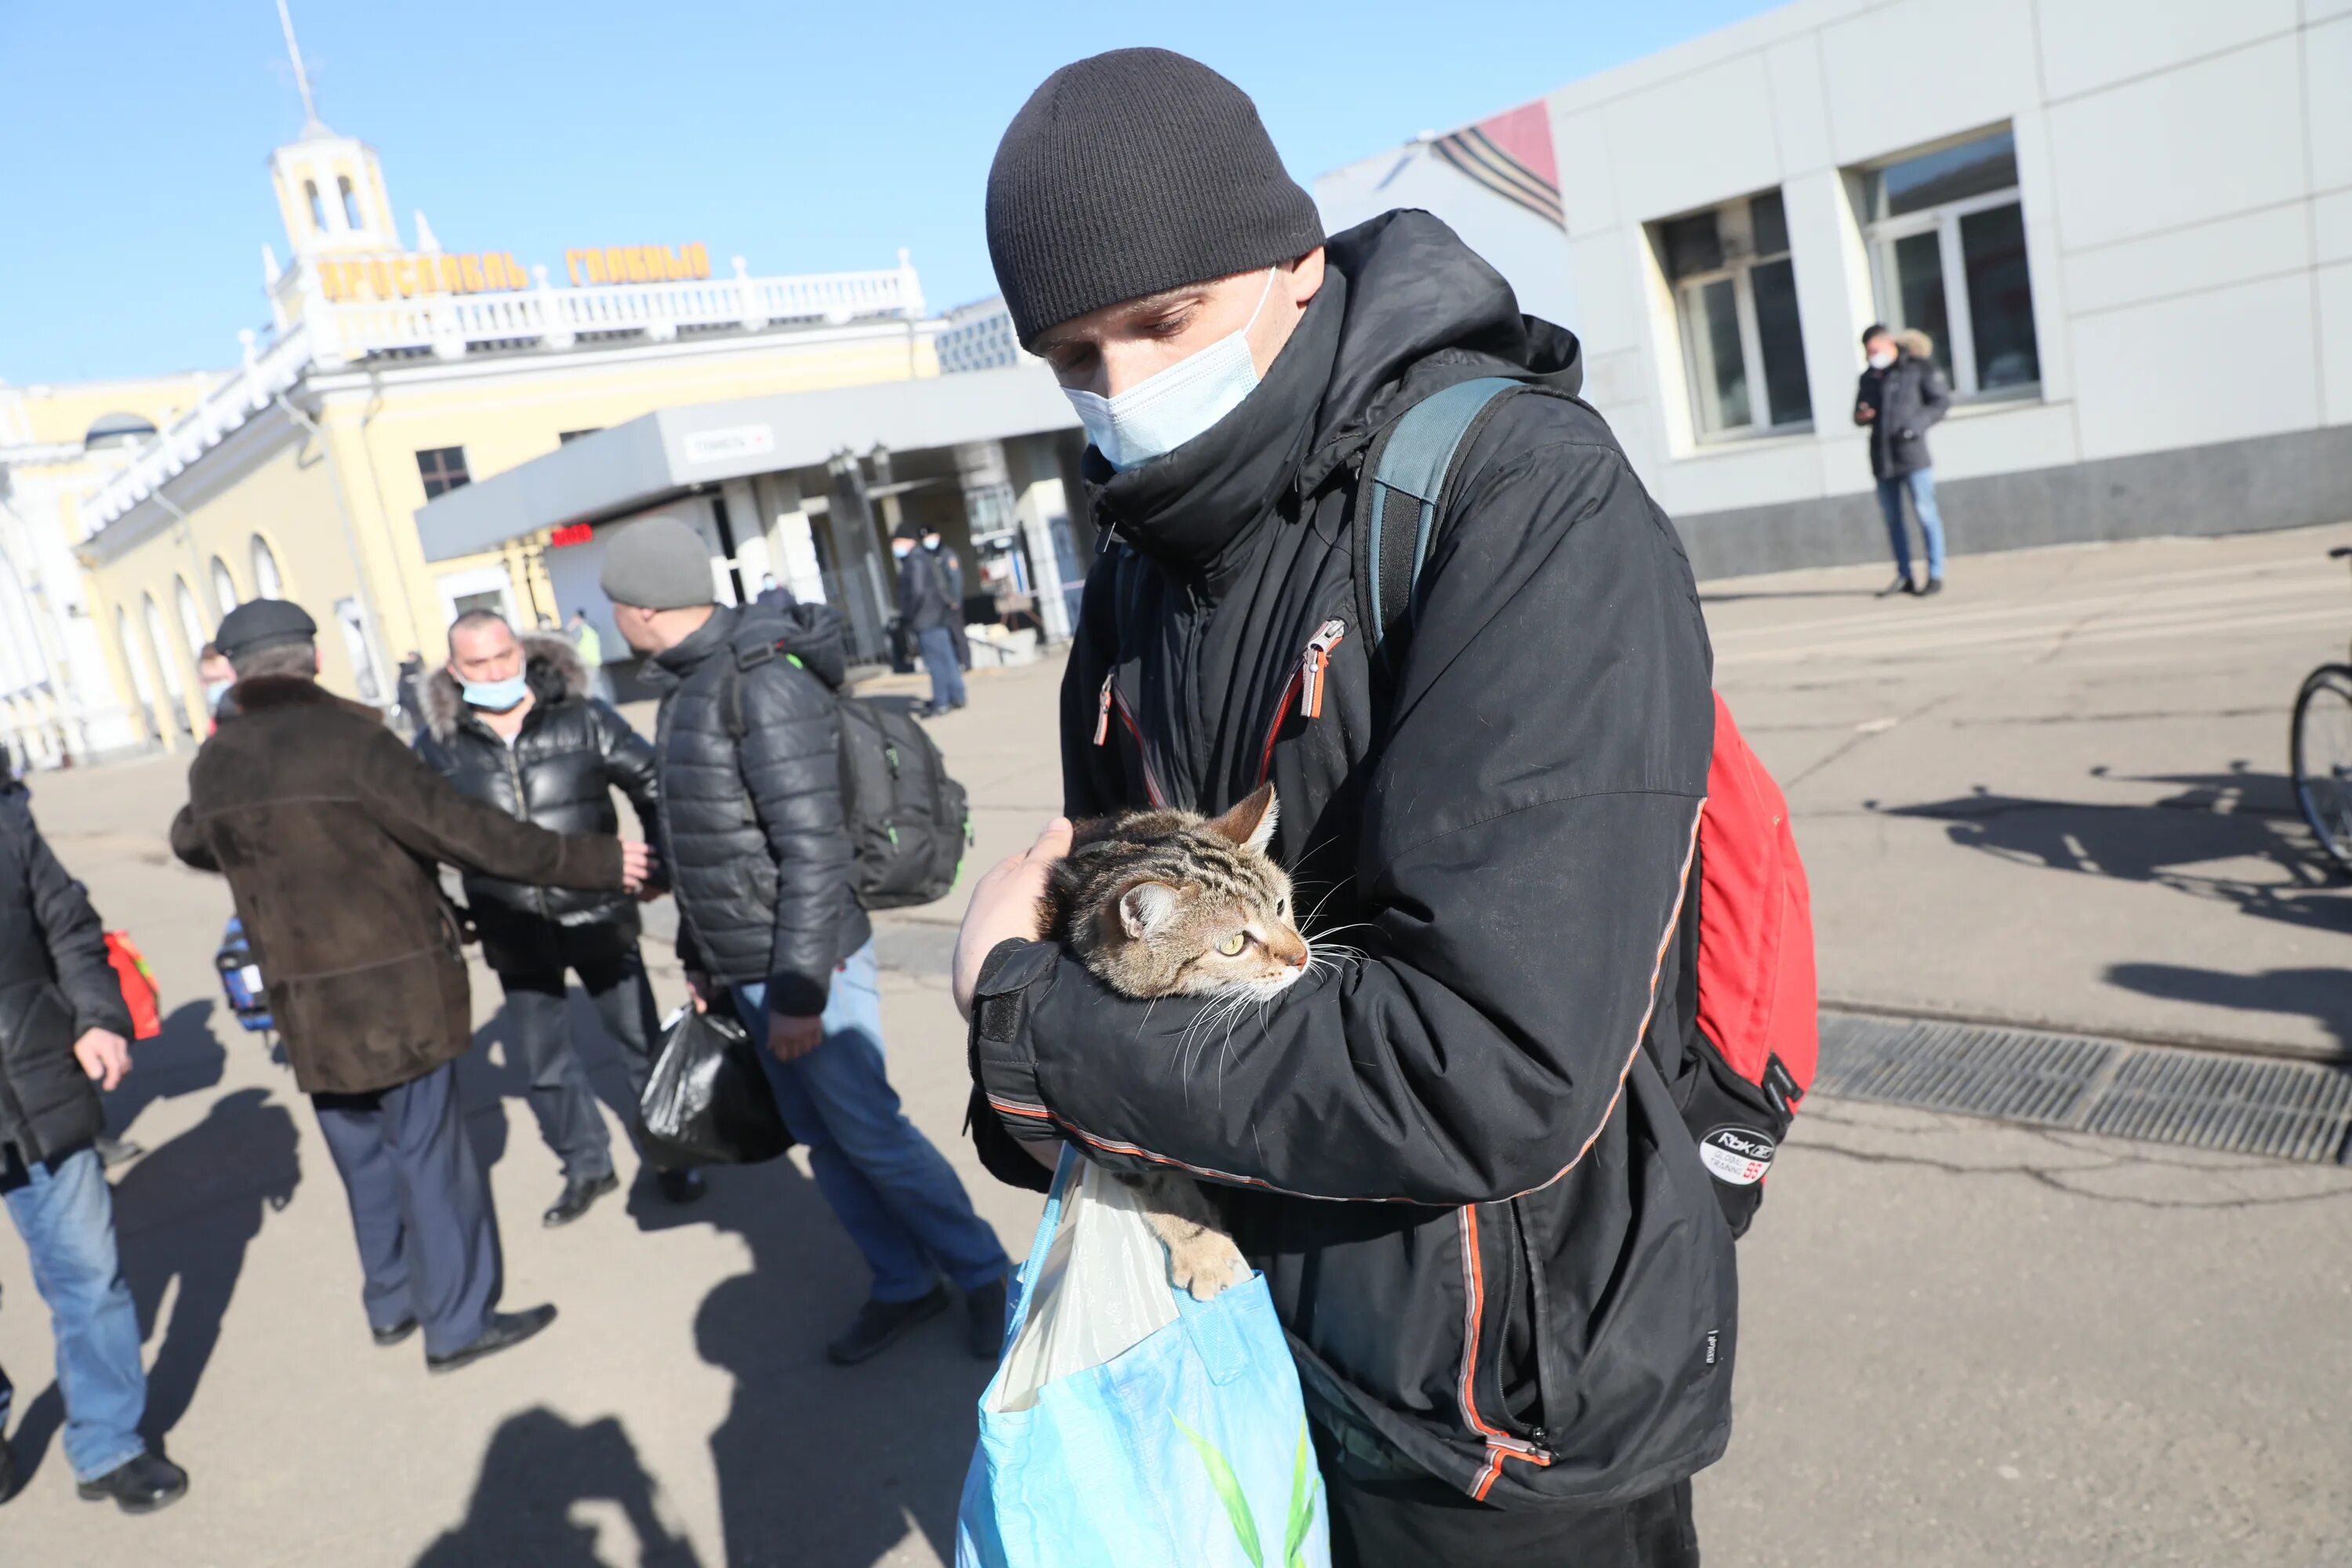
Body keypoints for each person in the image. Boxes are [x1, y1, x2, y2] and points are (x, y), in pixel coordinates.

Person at [953, 51, 1723, 1568]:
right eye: (1073, 358)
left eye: (1163, 323)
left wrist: (1023, 1028)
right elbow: (1127, 947)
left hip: (1497, 1420)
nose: (1125, 390)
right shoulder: (1131, 578)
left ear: (1296, 265)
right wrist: (1042, 1057)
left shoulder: (1521, 497)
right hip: (1244, 1351)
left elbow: (1491, 1067)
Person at [169, 601, 652, 1374]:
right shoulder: (353, 739)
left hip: (302, 999)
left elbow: (190, 838)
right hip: (393, 992)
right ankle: (459, 1321)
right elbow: (466, 832)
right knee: (430, 1152)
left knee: (360, 1155)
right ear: (316, 659)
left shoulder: (220, 759)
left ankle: (390, 1300)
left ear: (232, 670)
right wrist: (592, 861)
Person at [598, 518, 1009, 1366]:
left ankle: (987, 1276)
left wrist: (796, 993)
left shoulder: (756, 684)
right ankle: (904, 1281)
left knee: (871, 1133)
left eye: (614, 605)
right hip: (752, 961)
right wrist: (707, 964)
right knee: (827, 1141)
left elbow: (812, 848)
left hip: (807, 963)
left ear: (639, 609)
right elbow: (712, 841)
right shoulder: (688, 681)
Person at [415, 610, 701, 1225]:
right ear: (453, 670)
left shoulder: (582, 715)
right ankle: (586, 1166)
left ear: (521, 651)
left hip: (600, 916)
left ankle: (671, 1157)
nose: (494, 671)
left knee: (639, 1045)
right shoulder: (439, 745)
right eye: (478, 663)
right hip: (511, 924)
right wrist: (453, 914)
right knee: (545, 1061)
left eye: (502, 656)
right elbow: (416, 837)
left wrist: (658, 871)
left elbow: (653, 782)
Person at [0, 792, 187, 1512]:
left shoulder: (8, 822)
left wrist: (97, 1018)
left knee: (89, 1277)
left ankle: (109, 1445)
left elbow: (71, 928)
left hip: (40, 1081)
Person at [1854, 323, 1950, 597]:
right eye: (1868, 352)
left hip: (1913, 455)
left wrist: (1915, 426)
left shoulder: (1918, 368)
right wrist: (1863, 415)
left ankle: (1935, 575)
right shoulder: (1870, 377)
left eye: (1874, 350)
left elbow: (1940, 403)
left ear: (1888, 343)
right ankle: (1904, 575)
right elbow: (1857, 414)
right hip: (1883, 459)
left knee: (1925, 513)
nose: (1871, 356)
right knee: (1893, 520)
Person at [894, 525, 966, 717]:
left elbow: (917, 591)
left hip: (925, 618)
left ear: (907, 541)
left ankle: (941, 702)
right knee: (947, 658)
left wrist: (908, 613)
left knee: (935, 662)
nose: (895, 546)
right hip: (937, 616)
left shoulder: (914, 561)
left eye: (897, 542)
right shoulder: (924, 557)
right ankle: (957, 696)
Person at [565, 608, 615, 702]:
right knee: (597, 686)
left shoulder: (579, 630)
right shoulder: (590, 629)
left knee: (590, 687)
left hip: (586, 662)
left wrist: (570, 627)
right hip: (595, 661)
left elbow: (569, 642)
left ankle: (599, 707)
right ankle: (605, 704)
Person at [394, 652, 426, 735]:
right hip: (412, 711)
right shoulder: (404, 676)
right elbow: (401, 695)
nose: (410, 660)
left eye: (412, 657)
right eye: (409, 657)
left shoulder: (421, 674)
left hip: (424, 708)